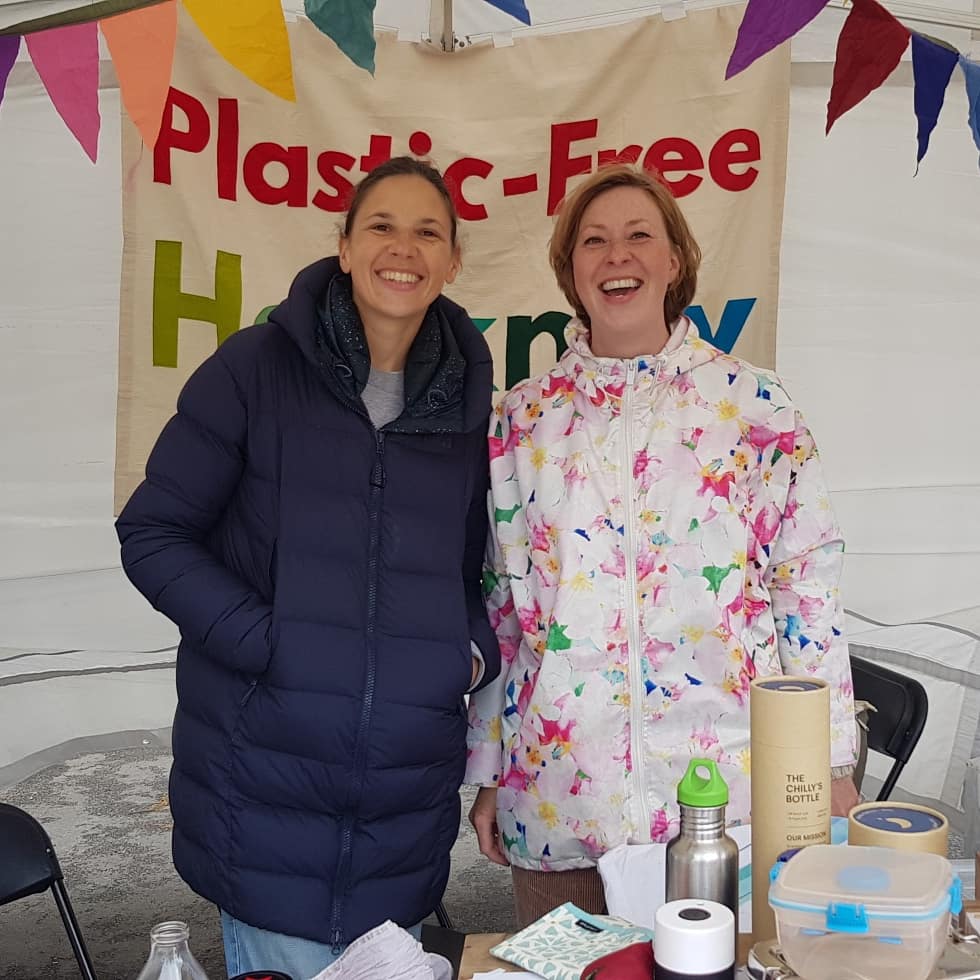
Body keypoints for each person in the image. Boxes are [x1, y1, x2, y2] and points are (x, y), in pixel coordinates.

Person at [116, 156, 500, 978]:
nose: (405, 248)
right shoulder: (252, 370)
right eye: (382, 226)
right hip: (262, 790)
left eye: (428, 231)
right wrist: (269, 643)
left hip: (403, 801)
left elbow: (471, 575)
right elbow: (153, 533)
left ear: (453, 260)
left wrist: (463, 655)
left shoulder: (469, 406)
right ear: (346, 246)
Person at [465, 163, 858, 927]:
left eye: (639, 236)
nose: (618, 256)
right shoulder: (523, 419)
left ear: (674, 261)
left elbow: (807, 589)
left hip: (729, 796)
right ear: (569, 270)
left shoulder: (753, 406)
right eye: (595, 241)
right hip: (563, 788)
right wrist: (489, 768)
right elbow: (502, 608)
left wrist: (828, 761)